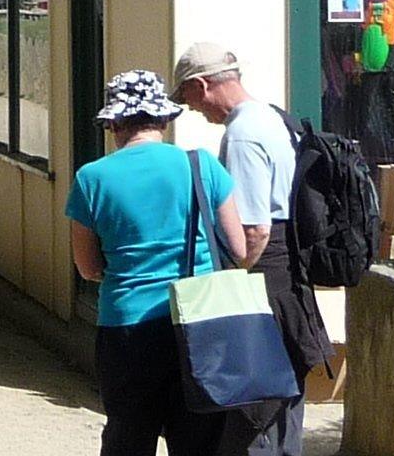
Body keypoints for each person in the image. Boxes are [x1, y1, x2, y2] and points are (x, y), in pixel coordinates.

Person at [67, 69, 248, 456]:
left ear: (114, 122)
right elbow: (239, 248)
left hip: (127, 328)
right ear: (165, 119)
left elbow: (87, 267)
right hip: (199, 323)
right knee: (199, 439)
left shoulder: (91, 178)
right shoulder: (202, 166)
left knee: (129, 437)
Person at [171, 43, 333, 456]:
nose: (191, 109)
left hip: (267, 280)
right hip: (290, 278)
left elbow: (255, 228)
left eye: (187, 98)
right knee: (283, 406)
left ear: (201, 85)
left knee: (253, 411)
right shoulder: (273, 118)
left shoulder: (242, 134)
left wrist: (235, 275)